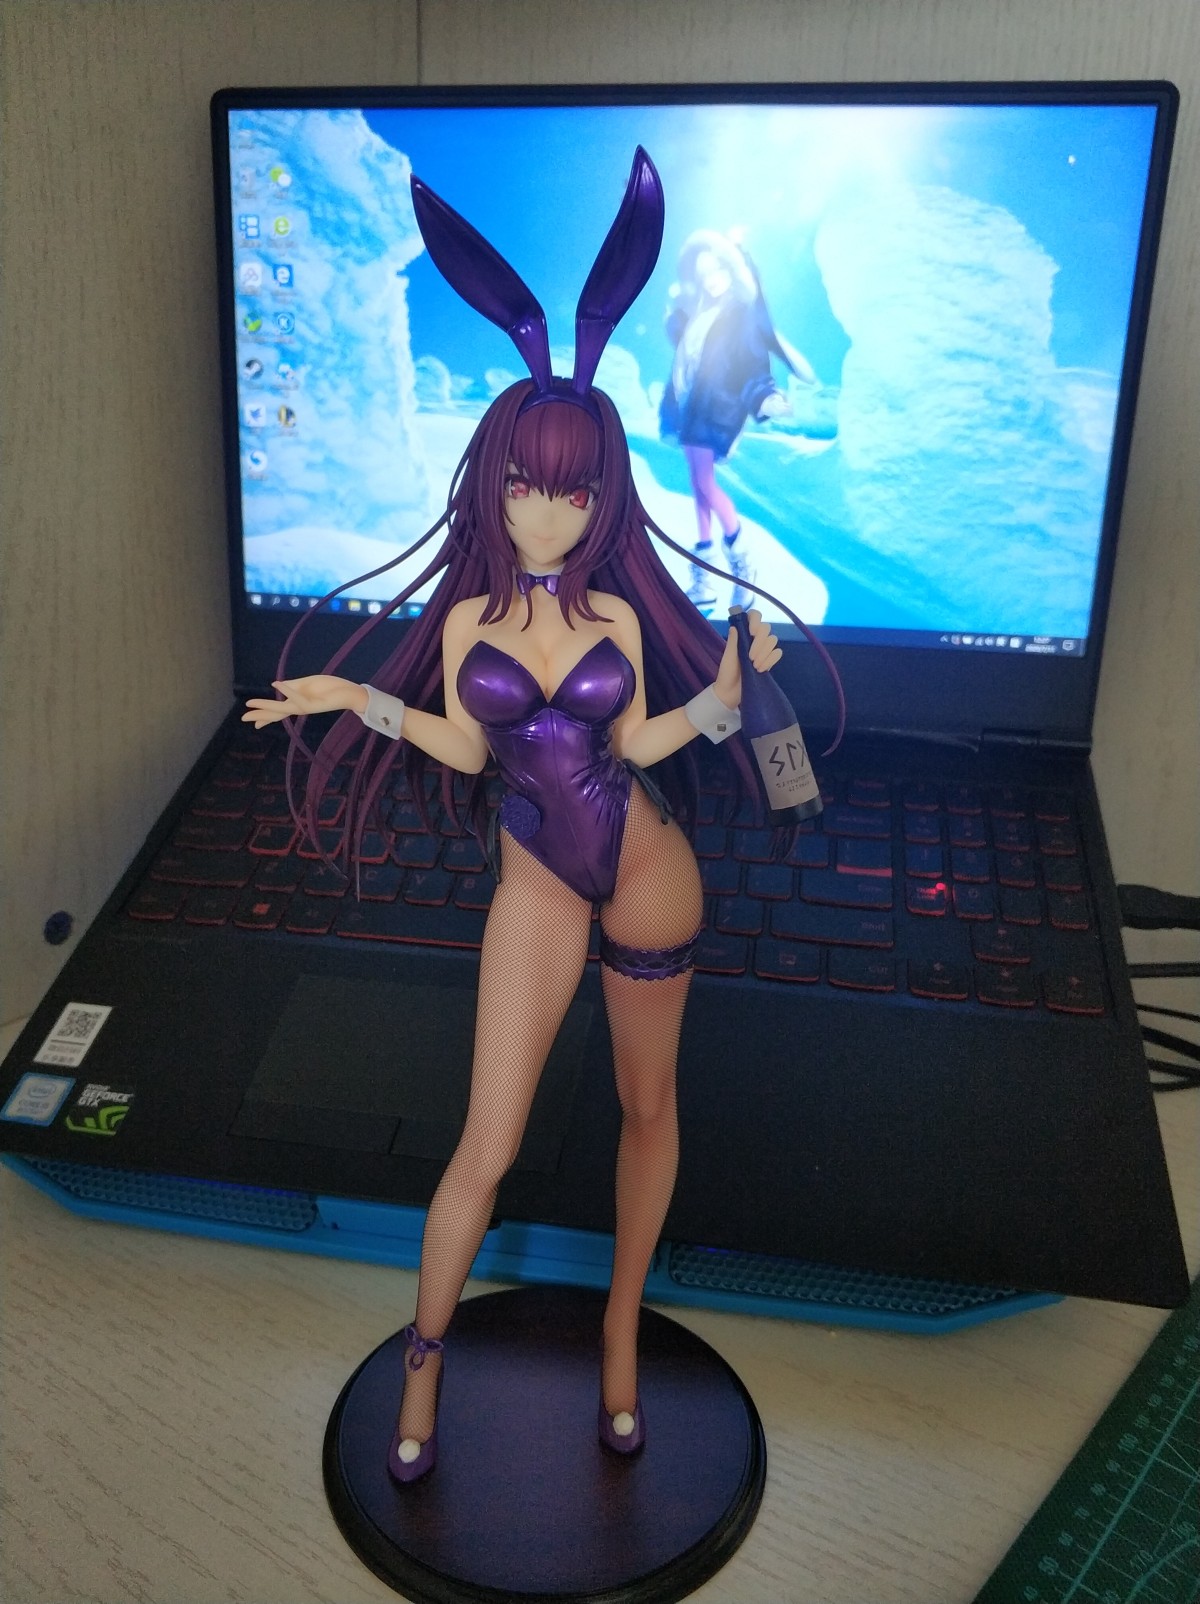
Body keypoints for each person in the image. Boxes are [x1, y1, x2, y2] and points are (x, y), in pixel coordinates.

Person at [243, 151, 837, 1482]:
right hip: (538, 881)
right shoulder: (469, 620)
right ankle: (425, 1359)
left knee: (645, 1109)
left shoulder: (616, 610)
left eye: (574, 487)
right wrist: (349, 694)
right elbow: (465, 743)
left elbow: (645, 742)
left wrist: (727, 696)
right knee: (488, 1145)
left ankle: (623, 1333)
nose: (549, 508)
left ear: (603, 492)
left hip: (649, 866)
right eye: (527, 481)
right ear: (496, 480)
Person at [660, 229, 819, 610]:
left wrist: (765, 397)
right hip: (692, 408)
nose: (711, 279)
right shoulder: (702, 313)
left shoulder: (739, 315)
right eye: (704, 274)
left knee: (704, 483)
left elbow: (750, 362)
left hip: (716, 409)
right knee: (699, 486)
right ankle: (703, 576)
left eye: (717, 270)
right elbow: (688, 356)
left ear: (731, 271)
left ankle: (741, 563)